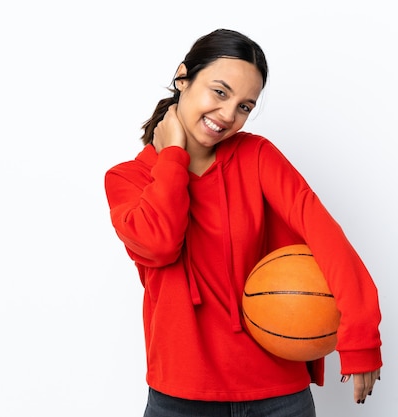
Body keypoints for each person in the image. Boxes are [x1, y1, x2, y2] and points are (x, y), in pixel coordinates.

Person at [104, 28, 382, 417]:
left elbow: (325, 237)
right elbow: (160, 245)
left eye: (245, 106)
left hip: (278, 392)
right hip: (181, 395)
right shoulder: (127, 179)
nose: (228, 115)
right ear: (183, 77)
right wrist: (171, 159)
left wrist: (361, 336)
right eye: (220, 92)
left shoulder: (257, 156)